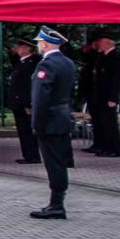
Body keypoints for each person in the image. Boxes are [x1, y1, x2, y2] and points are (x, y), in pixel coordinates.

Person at [31, 27, 78, 219]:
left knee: (54, 163)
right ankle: (56, 202)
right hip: (62, 116)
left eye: (39, 42)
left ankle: (57, 204)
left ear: (45, 43)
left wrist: (36, 123)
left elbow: (41, 97)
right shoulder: (67, 63)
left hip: (49, 120)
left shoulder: (47, 65)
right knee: (59, 161)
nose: (38, 46)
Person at [83, 30, 120, 157]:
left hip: (108, 97)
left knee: (109, 123)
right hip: (99, 96)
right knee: (100, 122)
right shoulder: (102, 57)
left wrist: (113, 98)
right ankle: (102, 146)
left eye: (100, 42)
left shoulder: (115, 58)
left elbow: (116, 80)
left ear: (107, 43)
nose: (98, 45)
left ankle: (114, 149)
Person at [6, 38, 42, 164]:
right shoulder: (21, 62)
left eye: (20, 47)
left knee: (27, 130)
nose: (17, 49)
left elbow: (28, 86)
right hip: (18, 103)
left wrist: (28, 104)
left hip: (24, 103)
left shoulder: (31, 63)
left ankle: (32, 155)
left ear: (28, 48)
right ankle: (27, 155)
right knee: (22, 130)